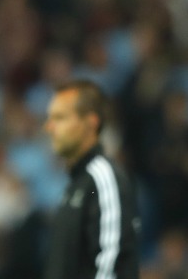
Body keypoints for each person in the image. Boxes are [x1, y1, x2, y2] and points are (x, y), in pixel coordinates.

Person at [44, 80, 140, 279]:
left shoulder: (103, 176)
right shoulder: (75, 184)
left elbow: (112, 260)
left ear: (91, 122)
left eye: (60, 118)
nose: (49, 127)